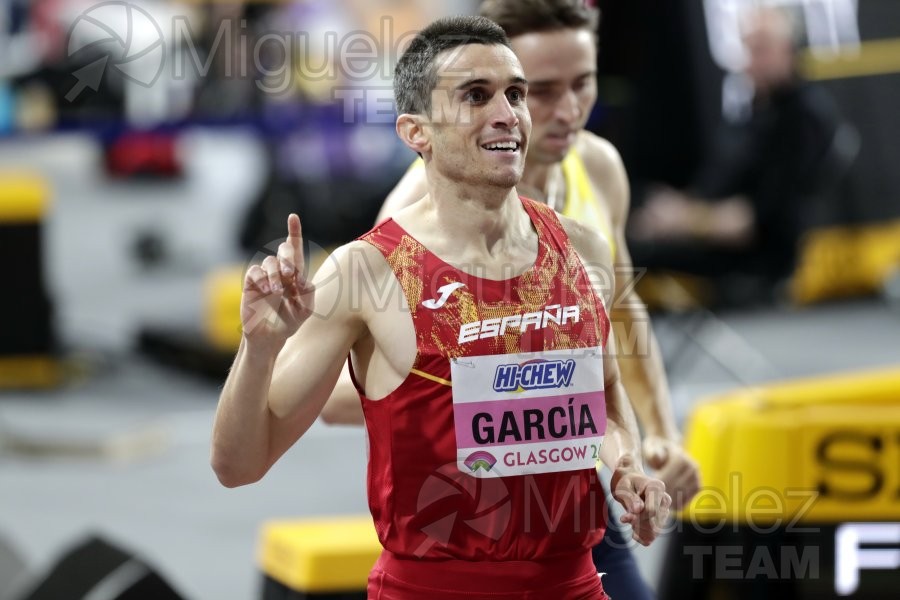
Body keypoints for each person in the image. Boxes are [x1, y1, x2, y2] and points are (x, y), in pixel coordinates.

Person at [212, 15, 670, 599]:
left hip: (573, 584)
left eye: (515, 93)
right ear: (415, 131)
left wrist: (627, 465)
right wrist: (259, 348)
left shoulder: (581, 248)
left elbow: (602, 396)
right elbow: (238, 465)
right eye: (475, 96)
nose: (507, 113)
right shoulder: (366, 273)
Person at [628, 6, 845, 303]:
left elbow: (755, 220)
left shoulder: (802, 117)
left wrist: (682, 221)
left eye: (760, 49)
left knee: (628, 248)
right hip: (716, 230)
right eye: (747, 48)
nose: (749, 62)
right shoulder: (758, 110)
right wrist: (679, 208)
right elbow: (722, 186)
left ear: (789, 51)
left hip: (754, 257)